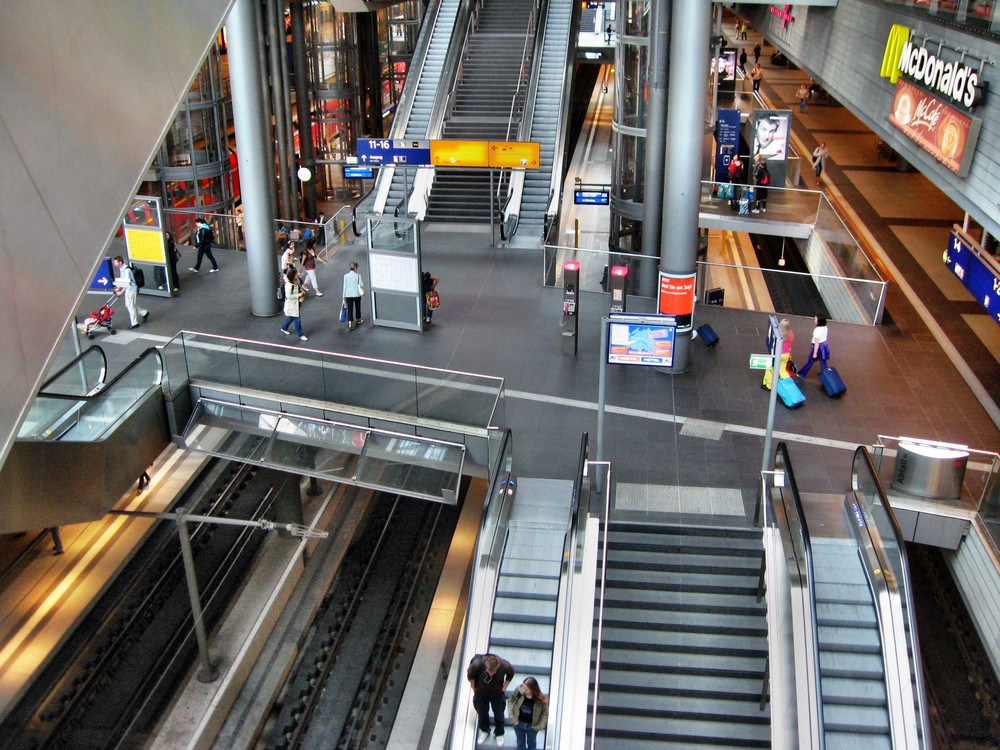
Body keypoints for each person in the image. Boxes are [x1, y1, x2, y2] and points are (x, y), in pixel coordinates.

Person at [468, 653, 515, 746]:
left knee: (499, 714)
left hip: (497, 693)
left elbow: (511, 673)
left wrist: (504, 687)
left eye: (493, 672)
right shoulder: (478, 664)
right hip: (481, 692)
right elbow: (470, 675)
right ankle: (484, 730)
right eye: (489, 671)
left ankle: (499, 733)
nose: (490, 674)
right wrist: (474, 688)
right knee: (482, 712)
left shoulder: (504, 665)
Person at [507, 677, 548, 750]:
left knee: (532, 744)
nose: (523, 690)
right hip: (518, 723)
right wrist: (512, 718)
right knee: (520, 743)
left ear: (533, 690)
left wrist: (539, 726)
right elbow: (511, 700)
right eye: (523, 687)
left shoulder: (540, 698)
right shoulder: (519, 690)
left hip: (532, 726)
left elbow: (545, 714)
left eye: (526, 689)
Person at [112, 255, 148, 330]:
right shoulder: (122, 268)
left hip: (131, 290)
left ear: (120, 262)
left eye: (116, 262)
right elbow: (123, 280)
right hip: (129, 290)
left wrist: (121, 291)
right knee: (129, 305)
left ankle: (135, 323)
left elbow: (127, 283)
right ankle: (144, 313)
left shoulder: (126, 270)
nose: (114, 264)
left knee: (130, 306)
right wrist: (118, 288)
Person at [763, 318, 795, 389]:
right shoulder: (791, 334)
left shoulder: (778, 335)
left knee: (770, 368)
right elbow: (790, 346)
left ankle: (769, 385)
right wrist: (789, 354)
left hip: (778, 354)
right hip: (786, 354)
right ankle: (788, 385)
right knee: (782, 371)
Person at [796, 314, 830, 379]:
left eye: (815, 319)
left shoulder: (817, 330)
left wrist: (815, 353)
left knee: (809, 361)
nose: (814, 320)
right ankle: (827, 377)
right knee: (823, 363)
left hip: (817, 347)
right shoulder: (825, 327)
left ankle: (801, 374)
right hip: (824, 346)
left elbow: (817, 342)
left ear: (818, 321)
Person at [279, 267, 308, 341]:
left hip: (296, 304)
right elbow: (288, 296)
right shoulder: (289, 285)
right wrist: (298, 295)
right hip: (292, 305)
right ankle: (300, 334)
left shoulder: (295, 281)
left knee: (291, 317)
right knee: (297, 319)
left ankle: (284, 327)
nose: (297, 275)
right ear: (293, 275)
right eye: (296, 274)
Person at [342, 260, 364, 330]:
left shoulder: (345, 276)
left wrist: (343, 297)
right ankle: (358, 320)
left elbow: (344, 287)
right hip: (356, 294)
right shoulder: (358, 276)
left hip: (348, 295)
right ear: (355, 268)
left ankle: (350, 324)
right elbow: (362, 284)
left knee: (350, 309)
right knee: (357, 307)